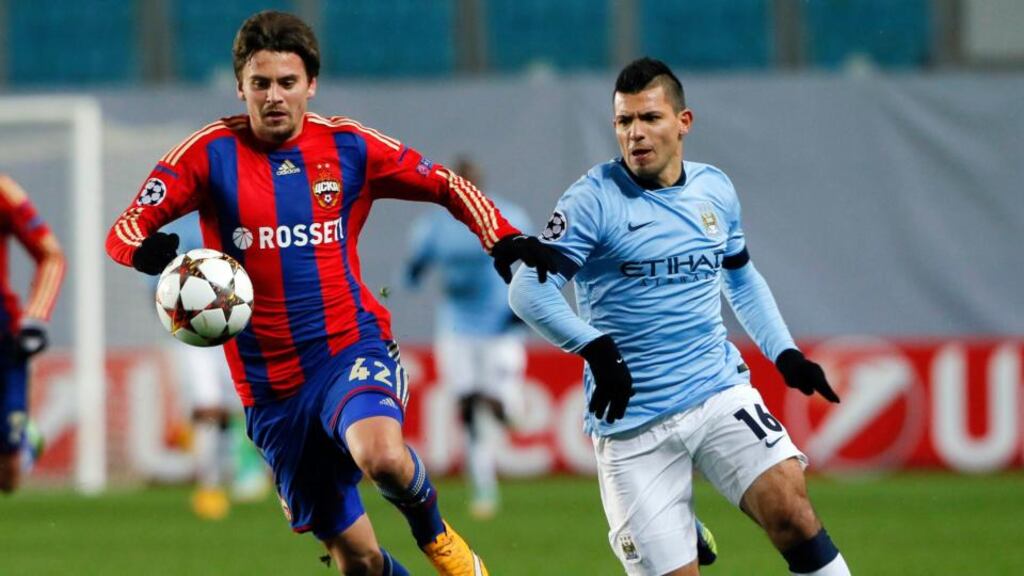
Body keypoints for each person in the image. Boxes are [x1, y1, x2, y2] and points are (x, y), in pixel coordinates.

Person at [105, 10, 554, 576]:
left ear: (310, 85)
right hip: (270, 389)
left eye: (287, 83)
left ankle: (440, 542)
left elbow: (445, 183)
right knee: (360, 561)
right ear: (239, 84)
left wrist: (502, 238)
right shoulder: (208, 152)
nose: (274, 97)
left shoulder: (348, 146)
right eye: (261, 83)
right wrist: (142, 251)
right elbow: (124, 227)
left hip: (348, 346)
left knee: (383, 456)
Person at [509, 57, 850, 576]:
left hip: (715, 391)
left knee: (792, 510)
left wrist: (784, 352)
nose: (636, 134)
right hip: (632, 422)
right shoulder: (593, 201)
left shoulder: (715, 190)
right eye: (624, 122)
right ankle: (679, 529)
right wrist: (595, 348)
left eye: (650, 118)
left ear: (682, 123)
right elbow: (528, 291)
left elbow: (738, 276)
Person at [403, 157, 530, 520]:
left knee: (496, 404)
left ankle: (512, 414)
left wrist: (520, 308)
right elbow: (415, 268)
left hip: (499, 328)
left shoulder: (508, 216)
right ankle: (484, 489)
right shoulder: (433, 227)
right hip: (457, 327)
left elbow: (535, 265)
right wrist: (412, 272)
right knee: (467, 407)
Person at [147, 212, 269, 520]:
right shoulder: (175, 231)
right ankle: (210, 486)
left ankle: (248, 472)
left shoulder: (238, 219)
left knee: (240, 403)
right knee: (207, 406)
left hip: (238, 328)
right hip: (193, 333)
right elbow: (156, 289)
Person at [0, 174, 65, 494]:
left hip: (4, 339)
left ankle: (20, 442)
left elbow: (50, 255)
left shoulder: (5, 193)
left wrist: (36, 317)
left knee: (8, 475)